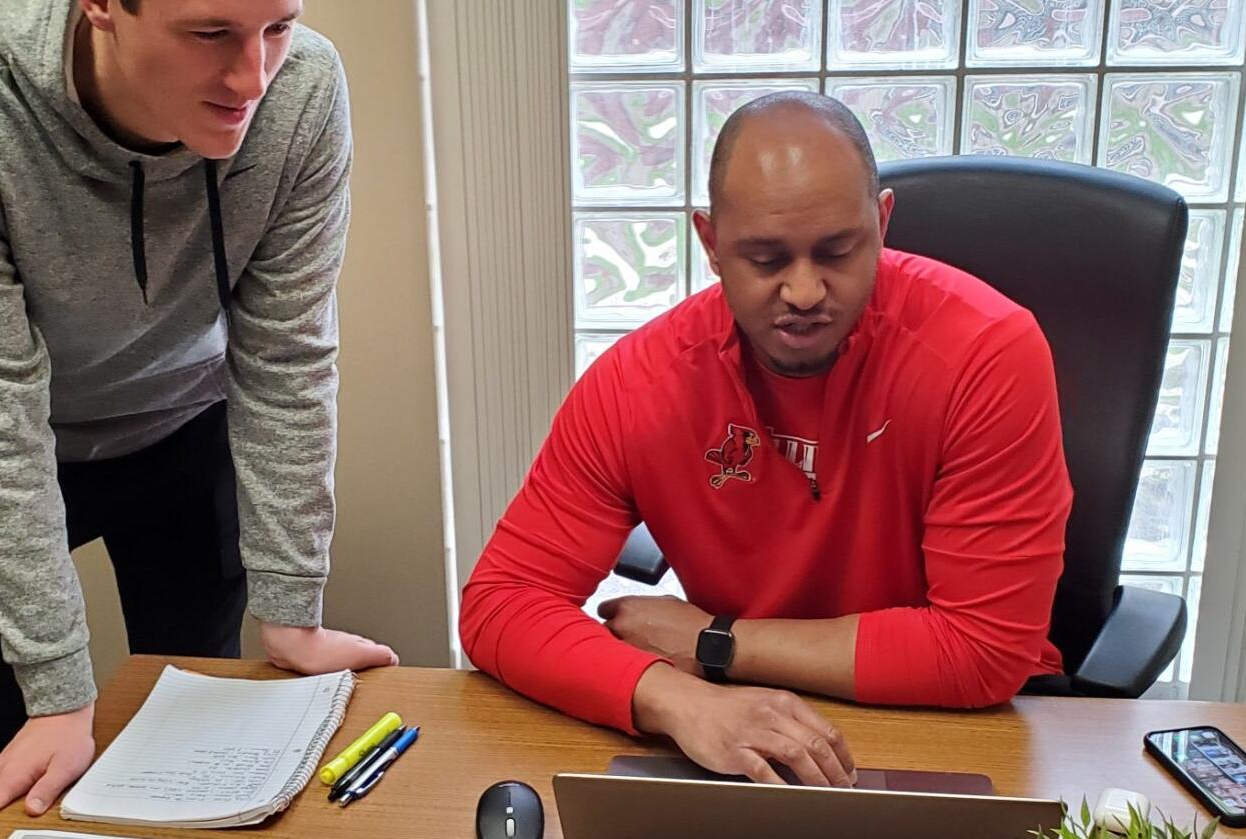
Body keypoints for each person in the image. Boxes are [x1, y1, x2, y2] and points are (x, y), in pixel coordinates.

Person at [0, 0, 396, 835]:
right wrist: (56, 692)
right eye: (210, 33)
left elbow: (288, 354)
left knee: (192, 731)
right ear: (103, 6)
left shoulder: (302, 91)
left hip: (185, 425)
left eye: (278, 27)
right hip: (2, 434)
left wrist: (291, 607)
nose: (253, 78)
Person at [459, 92, 1073, 789]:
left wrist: (712, 643)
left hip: (953, 724)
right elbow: (500, 601)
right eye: (764, 258)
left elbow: (982, 650)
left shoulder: (986, 353)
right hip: (734, 727)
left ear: (882, 221)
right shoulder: (639, 382)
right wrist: (674, 698)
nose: (805, 291)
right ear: (710, 244)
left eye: (838, 251)